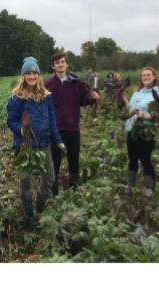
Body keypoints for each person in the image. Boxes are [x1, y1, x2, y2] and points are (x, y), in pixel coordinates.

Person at [7, 57, 65, 227]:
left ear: (38, 76)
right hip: (25, 147)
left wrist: (59, 141)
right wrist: (21, 130)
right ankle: (29, 216)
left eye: (34, 73)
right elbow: (11, 121)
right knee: (26, 182)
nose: (32, 76)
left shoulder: (46, 96)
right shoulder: (17, 98)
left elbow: (52, 120)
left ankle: (39, 206)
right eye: (28, 73)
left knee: (49, 178)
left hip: (44, 144)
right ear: (23, 76)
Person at [45, 52, 99, 193]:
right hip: (56, 131)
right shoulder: (48, 85)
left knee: (73, 160)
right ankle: (54, 192)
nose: (60, 64)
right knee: (55, 162)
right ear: (53, 66)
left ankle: (74, 190)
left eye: (62, 61)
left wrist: (92, 98)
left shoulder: (76, 83)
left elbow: (83, 100)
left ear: (66, 64)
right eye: (57, 62)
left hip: (73, 129)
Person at [123, 67, 159, 193]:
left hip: (145, 130)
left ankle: (150, 187)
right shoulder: (137, 93)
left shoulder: (157, 94)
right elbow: (131, 108)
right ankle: (130, 184)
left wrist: (147, 116)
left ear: (154, 77)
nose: (145, 77)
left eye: (148, 75)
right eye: (143, 75)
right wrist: (123, 99)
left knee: (145, 158)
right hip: (131, 129)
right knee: (132, 158)